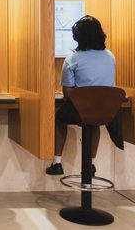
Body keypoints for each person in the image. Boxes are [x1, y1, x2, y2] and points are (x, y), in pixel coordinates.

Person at [46, 15, 116, 175]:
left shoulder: (72, 58)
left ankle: (57, 163)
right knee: (94, 123)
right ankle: (89, 165)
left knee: (59, 119)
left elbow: (67, 94)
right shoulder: (110, 56)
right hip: (105, 110)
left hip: (80, 109)